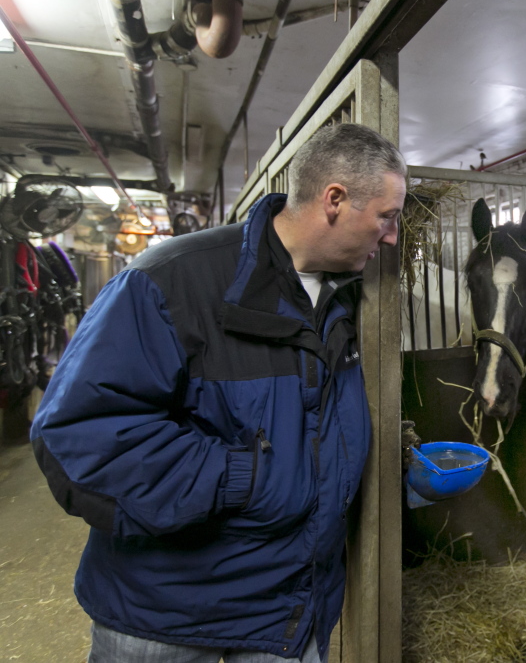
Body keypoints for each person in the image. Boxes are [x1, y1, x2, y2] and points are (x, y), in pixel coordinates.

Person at [30, 123, 407, 662]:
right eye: (387, 217)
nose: (393, 237)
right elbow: (77, 437)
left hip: (287, 618)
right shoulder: (172, 280)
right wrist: (238, 476)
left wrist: (391, 465)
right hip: (167, 623)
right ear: (334, 200)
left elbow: (319, 434)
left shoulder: (347, 303)